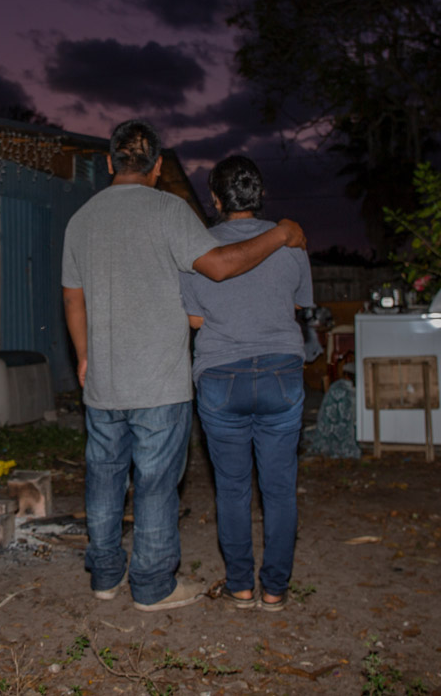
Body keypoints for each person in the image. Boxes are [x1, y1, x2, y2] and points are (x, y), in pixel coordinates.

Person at [61, 121, 306, 611]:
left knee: (104, 478)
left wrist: (84, 356)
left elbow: (73, 297)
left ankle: (105, 577)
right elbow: (217, 266)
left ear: (109, 162)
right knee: (154, 483)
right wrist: (280, 233)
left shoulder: (80, 219)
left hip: (105, 378)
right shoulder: (170, 209)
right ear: (156, 167)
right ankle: (152, 587)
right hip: (160, 378)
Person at [179, 155, 313, 611]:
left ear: (216, 199)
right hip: (281, 374)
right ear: (260, 196)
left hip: (221, 378)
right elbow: (296, 308)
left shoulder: (197, 249)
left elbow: (195, 319)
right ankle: (274, 589)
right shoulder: (292, 243)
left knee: (232, 488)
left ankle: (240, 586)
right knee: (278, 488)